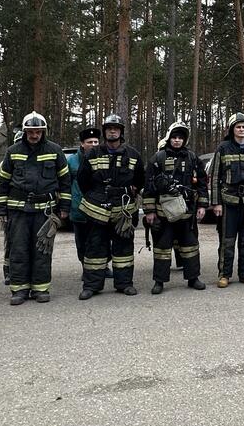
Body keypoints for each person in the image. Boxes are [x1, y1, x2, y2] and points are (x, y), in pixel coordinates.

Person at [0, 112, 70, 304]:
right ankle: (19, 290)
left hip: (45, 210)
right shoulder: (13, 151)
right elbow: (3, 182)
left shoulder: (55, 150)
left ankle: (40, 289)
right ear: (25, 131)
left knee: (42, 250)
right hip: (18, 210)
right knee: (18, 249)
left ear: (43, 132)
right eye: (31, 131)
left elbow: (65, 181)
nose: (34, 135)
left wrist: (64, 207)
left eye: (38, 132)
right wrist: (1, 209)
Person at [77, 113, 146, 297]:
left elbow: (140, 179)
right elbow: (82, 180)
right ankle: (92, 286)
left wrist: (131, 190)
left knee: (124, 247)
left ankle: (124, 284)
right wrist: (95, 196)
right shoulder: (92, 153)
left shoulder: (133, 154)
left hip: (123, 210)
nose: (112, 131)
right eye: (109, 129)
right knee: (95, 247)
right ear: (104, 132)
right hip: (97, 209)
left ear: (121, 132)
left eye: (115, 129)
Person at [144, 121, 208, 295]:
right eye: (174, 137)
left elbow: (202, 183)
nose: (177, 140)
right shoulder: (158, 158)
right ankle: (159, 281)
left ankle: (193, 278)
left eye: (180, 137)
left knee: (190, 246)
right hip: (163, 214)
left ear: (185, 140)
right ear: (169, 138)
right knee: (162, 248)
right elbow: (148, 187)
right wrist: (149, 211)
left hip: (187, 213)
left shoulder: (193, 158)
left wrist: (202, 205)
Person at [209, 113, 244, 287]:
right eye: (238, 127)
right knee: (227, 240)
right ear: (232, 129)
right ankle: (224, 274)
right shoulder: (223, 148)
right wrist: (216, 202)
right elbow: (215, 177)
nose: (241, 130)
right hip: (229, 201)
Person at [67, 127, 101, 293]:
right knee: (82, 243)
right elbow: (65, 184)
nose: (93, 144)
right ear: (82, 144)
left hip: (99, 209)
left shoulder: (103, 157)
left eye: (96, 142)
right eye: (89, 142)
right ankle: (85, 268)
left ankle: (101, 268)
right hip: (78, 209)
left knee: (99, 241)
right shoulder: (72, 161)